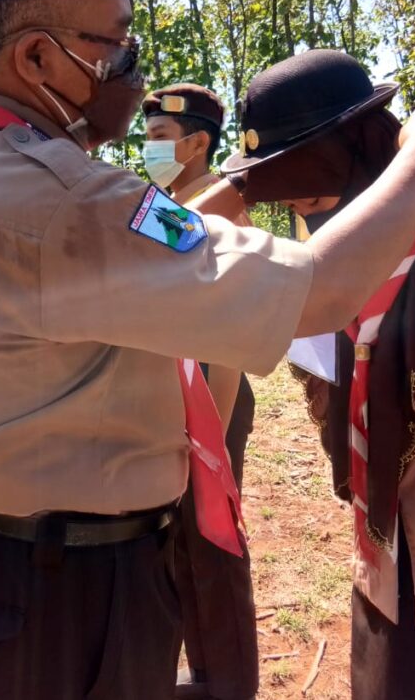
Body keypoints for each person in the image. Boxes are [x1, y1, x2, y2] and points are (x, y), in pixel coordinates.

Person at [0, 0, 415, 700]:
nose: (132, 66)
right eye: (114, 41)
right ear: (36, 58)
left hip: (34, 562)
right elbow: (319, 291)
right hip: (66, 588)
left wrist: (244, 182)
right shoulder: (52, 196)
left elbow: (145, 243)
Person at [220, 48, 415, 700]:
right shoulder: (353, 223)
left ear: (361, 145)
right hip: (382, 543)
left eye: (316, 195)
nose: (315, 218)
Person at [143, 84, 258, 700]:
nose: (149, 149)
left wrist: (210, 425)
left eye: (159, 139)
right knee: (178, 542)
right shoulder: (168, 200)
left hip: (212, 396)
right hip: (170, 396)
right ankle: (205, 668)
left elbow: (233, 332)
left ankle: (230, 680)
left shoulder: (215, 208)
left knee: (211, 539)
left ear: (197, 143)